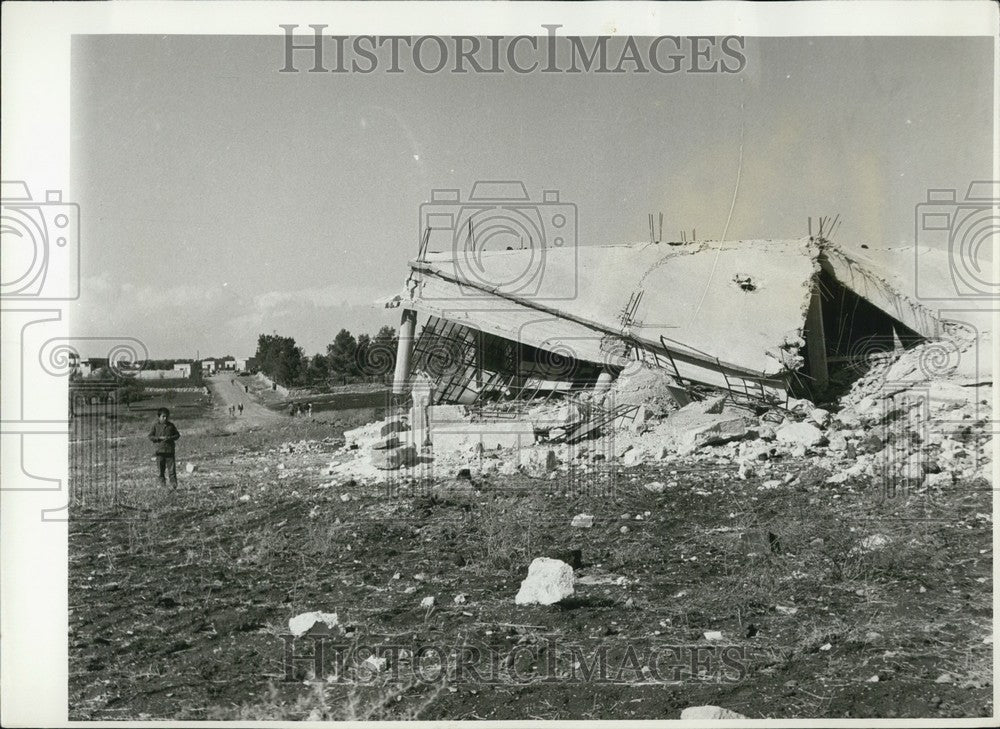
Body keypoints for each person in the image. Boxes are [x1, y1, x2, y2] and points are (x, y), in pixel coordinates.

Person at [148, 407, 180, 488]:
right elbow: (150, 436)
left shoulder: (171, 425)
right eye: (163, 416)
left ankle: (174, 486)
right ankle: (163, 487)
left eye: (167, 416)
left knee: (172, 471)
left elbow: (177, 435)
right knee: (160, 472)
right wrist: (159, 438)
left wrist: (170, 438)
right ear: (159, 417)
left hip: (170, 451)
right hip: (159, 452)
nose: (165, 418)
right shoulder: (155, 425)